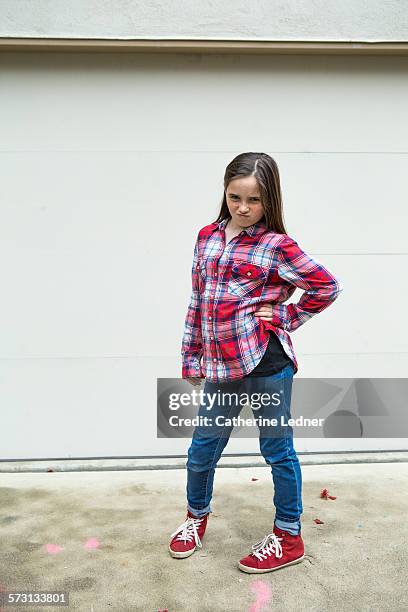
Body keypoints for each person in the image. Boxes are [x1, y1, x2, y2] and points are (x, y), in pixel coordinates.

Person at [168, 152, 343, 573]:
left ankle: (288, 534)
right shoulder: (207, 236)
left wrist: (284, 315)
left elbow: (326, 286)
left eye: (255, 201)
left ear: (270, 201)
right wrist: (192, 355)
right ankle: (195, 518)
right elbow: (198, 301)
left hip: (266, 363)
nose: (243, 208)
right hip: (221, 365)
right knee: (202, 448)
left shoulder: (277, 245)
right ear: (225, 193)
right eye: (235, 197)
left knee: (277, 449)